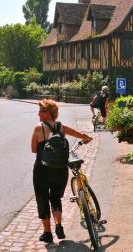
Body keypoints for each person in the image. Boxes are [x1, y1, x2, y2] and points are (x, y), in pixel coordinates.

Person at [31, 99, 92, 243]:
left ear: (47, 113)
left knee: (42, 198)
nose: (38, 114)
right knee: (56, 198)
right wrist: (87, 138)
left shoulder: (38, 128)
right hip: (61, 169)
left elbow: (34, 150)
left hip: (42, 170)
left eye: (40, 112)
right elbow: (80, 135)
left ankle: (47, 233)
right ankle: (59, 226)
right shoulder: (61, 127)